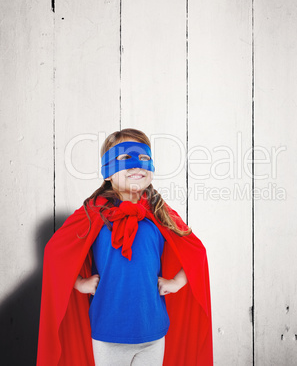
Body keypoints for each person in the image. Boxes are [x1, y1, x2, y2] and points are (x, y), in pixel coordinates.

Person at [37, 128, 213, 366]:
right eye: (124, 159)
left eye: (143, 159)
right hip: (108, 333)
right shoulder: (93, 214)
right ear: (108, 172)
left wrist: (177, 282)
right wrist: (79, 283)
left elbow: (196, 252)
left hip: (153, 331)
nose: (136, 166)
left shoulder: (159, 213)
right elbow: (55, 253)